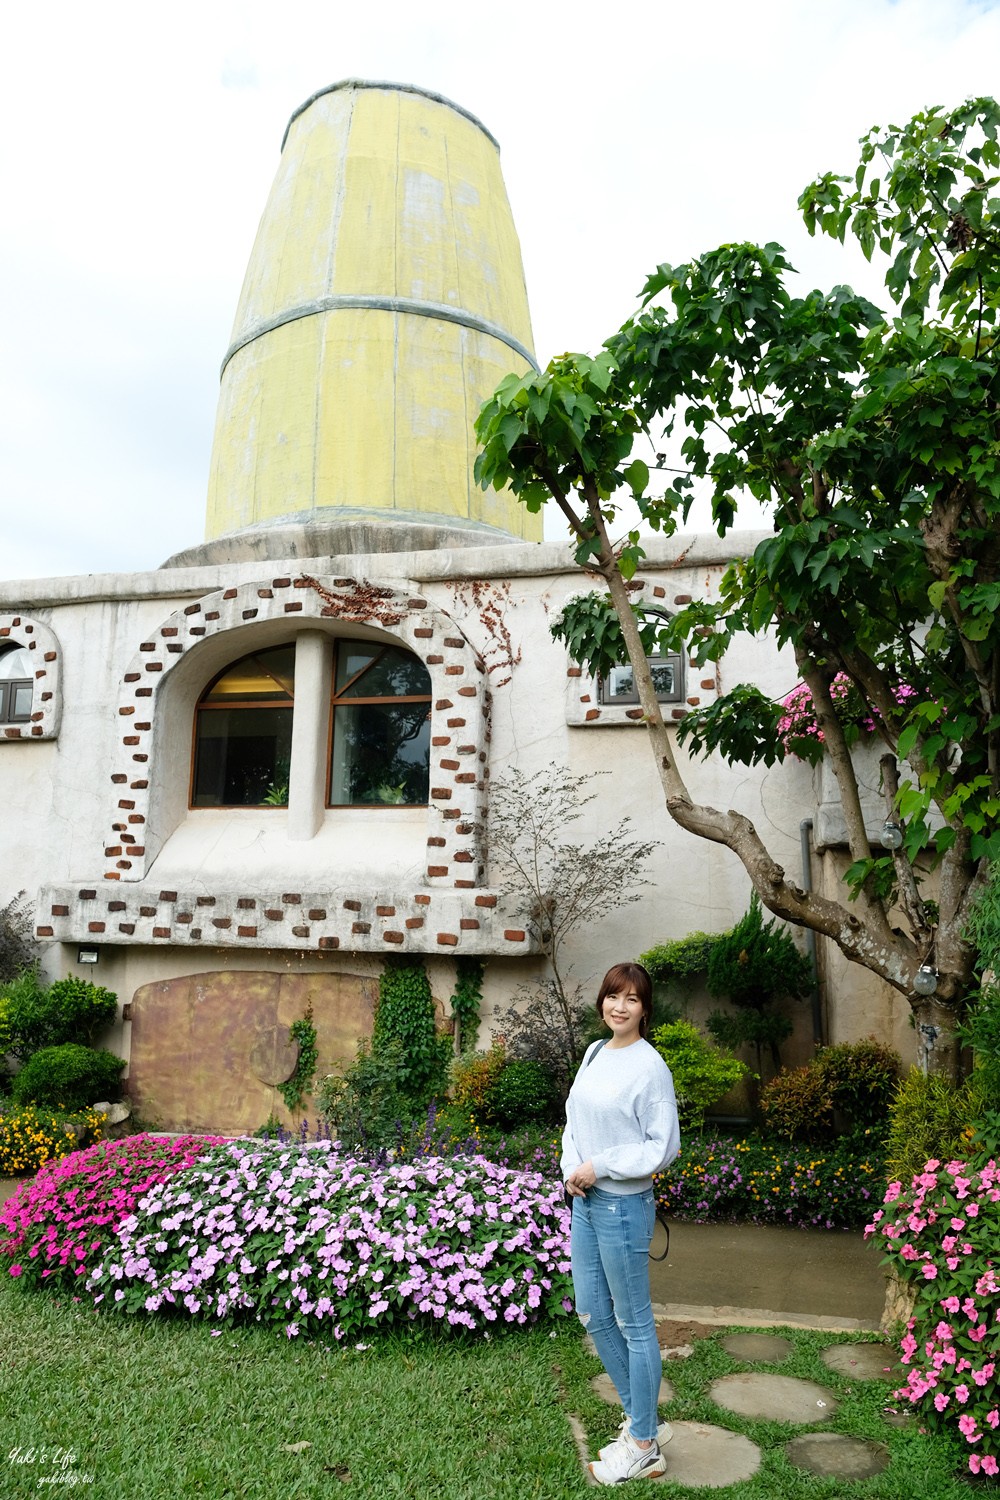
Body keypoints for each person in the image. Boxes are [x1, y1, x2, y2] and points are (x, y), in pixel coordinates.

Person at [561, 961, 681, 1486]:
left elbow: (664, 1146)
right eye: (614, 996)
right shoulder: (593, 1052)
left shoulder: (649, 1067)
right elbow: (573, 1120)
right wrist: (572, 1168)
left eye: (632, 999)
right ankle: (644, 1420)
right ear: (603, 1002)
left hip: (622, 1207)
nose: (620, 1006)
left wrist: (600, 1166)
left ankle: (643, 1444)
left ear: (645, 1009)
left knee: (633, 1322)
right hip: (585, 1201)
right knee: (591, 1309)